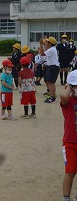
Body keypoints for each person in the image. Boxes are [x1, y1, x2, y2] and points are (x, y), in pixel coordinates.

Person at [60, 70, 77, 201]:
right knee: (70, 172)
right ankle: (66, 198)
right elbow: (63, 97)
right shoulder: (68, 100)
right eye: (75, 85)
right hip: (70, 142)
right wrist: (68, 87)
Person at [39, 36, 60, 103]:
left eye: (47, 42)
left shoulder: (52, 49)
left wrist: (41, 44)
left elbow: (42, 54)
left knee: (51, 83)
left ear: (50, 43)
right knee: (50, 82)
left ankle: (53, 97)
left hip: (53, 67)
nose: (45, 43)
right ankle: (52, 95)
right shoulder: (52, 49)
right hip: (52, 66)